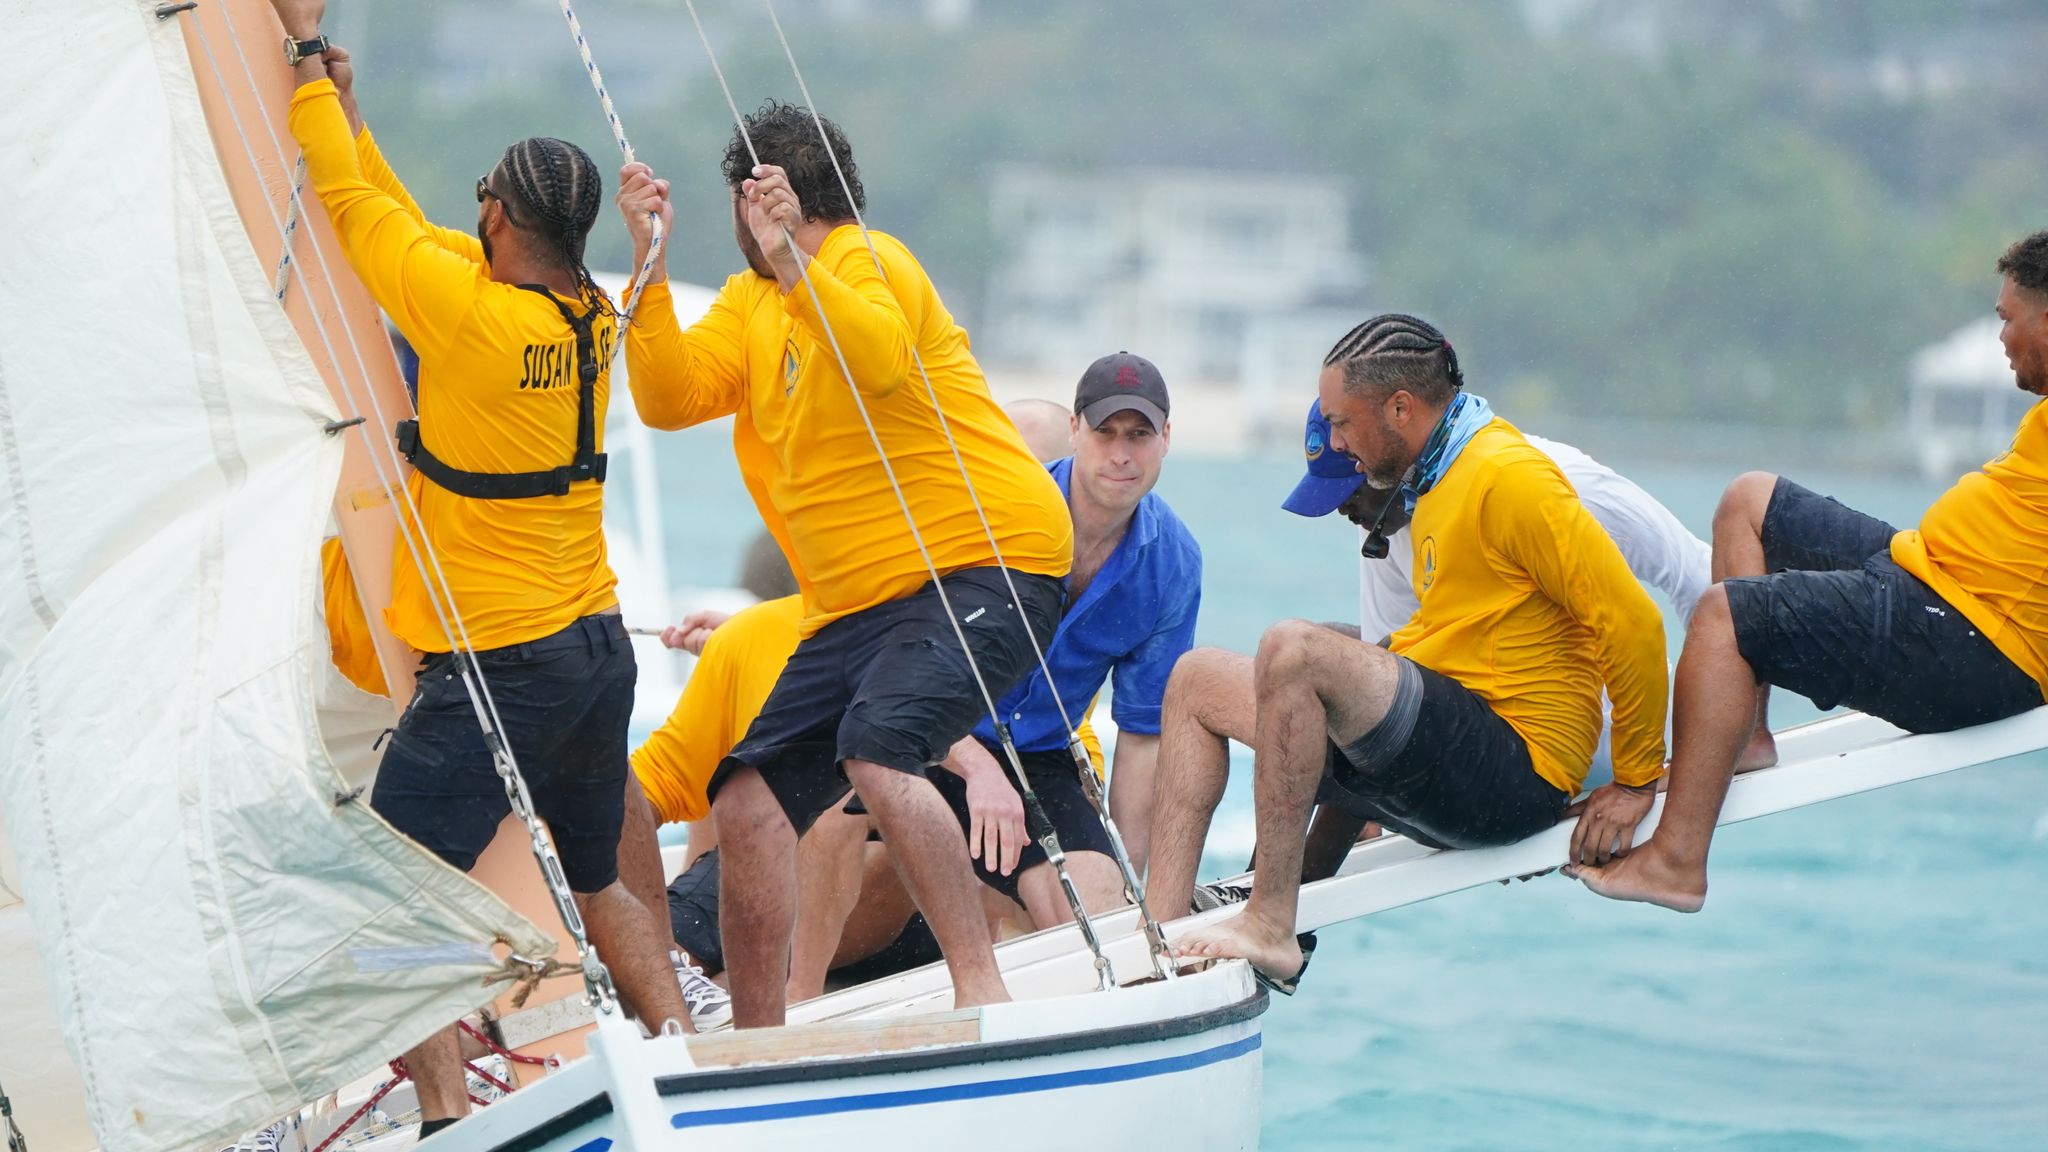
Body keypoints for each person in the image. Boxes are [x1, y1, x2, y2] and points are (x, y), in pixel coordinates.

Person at [266, 1, 685, 1132]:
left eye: (480, 206)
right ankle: (687, 1060)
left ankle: (454, 1125)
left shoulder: (468, 321)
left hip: (504, 664)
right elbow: (404, 225)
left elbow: (357, 213)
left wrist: (304, 60)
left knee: (391, 892)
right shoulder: (586, 316)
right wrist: (346, 109)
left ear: (498, 220)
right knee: (595, 875)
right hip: (596, 653)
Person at [616, 101, 1072, 1026]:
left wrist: (792, 258)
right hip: (864, 604)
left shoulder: (871, 260)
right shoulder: (752, 304)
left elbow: (881, 362)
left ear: (770, 206)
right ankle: (753, 1041)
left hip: (993, 564)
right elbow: (667, 399)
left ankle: (978, 988)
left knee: (876, 747)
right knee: (743, 802)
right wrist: (652, 259)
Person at [1169, 314, 1670, 986]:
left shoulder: (1508, 475)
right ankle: (1161, 927)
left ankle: (1273, 923)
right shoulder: (1436, 478)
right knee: (1196, 678)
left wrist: (1637, 781)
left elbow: (1635, 622)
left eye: (1342, 423)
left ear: (1400, 408)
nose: (1337, 444)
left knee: (1297, 650)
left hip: (1514, 771)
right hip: (1454, 746)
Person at [1574, 234, 2048, 911]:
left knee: (1725, 615)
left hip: (1971, 642)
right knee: (1750, 499)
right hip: (1928, 579)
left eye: (2008, 318)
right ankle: (1748, 737)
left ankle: (1677, 861)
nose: (2001, 335)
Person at [928, 353, 1202, 927]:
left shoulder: (1173, 561)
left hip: (1036, 758)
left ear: (1167, 438)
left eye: (1139, 434)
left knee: (1102, 910)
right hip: (929, 733)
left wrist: (1132, 879)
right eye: (1105, 433)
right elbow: (902, 659)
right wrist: (977, 770)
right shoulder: (1000, 509)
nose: (1122, 455)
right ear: (1075, 430)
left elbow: (1143, 735)